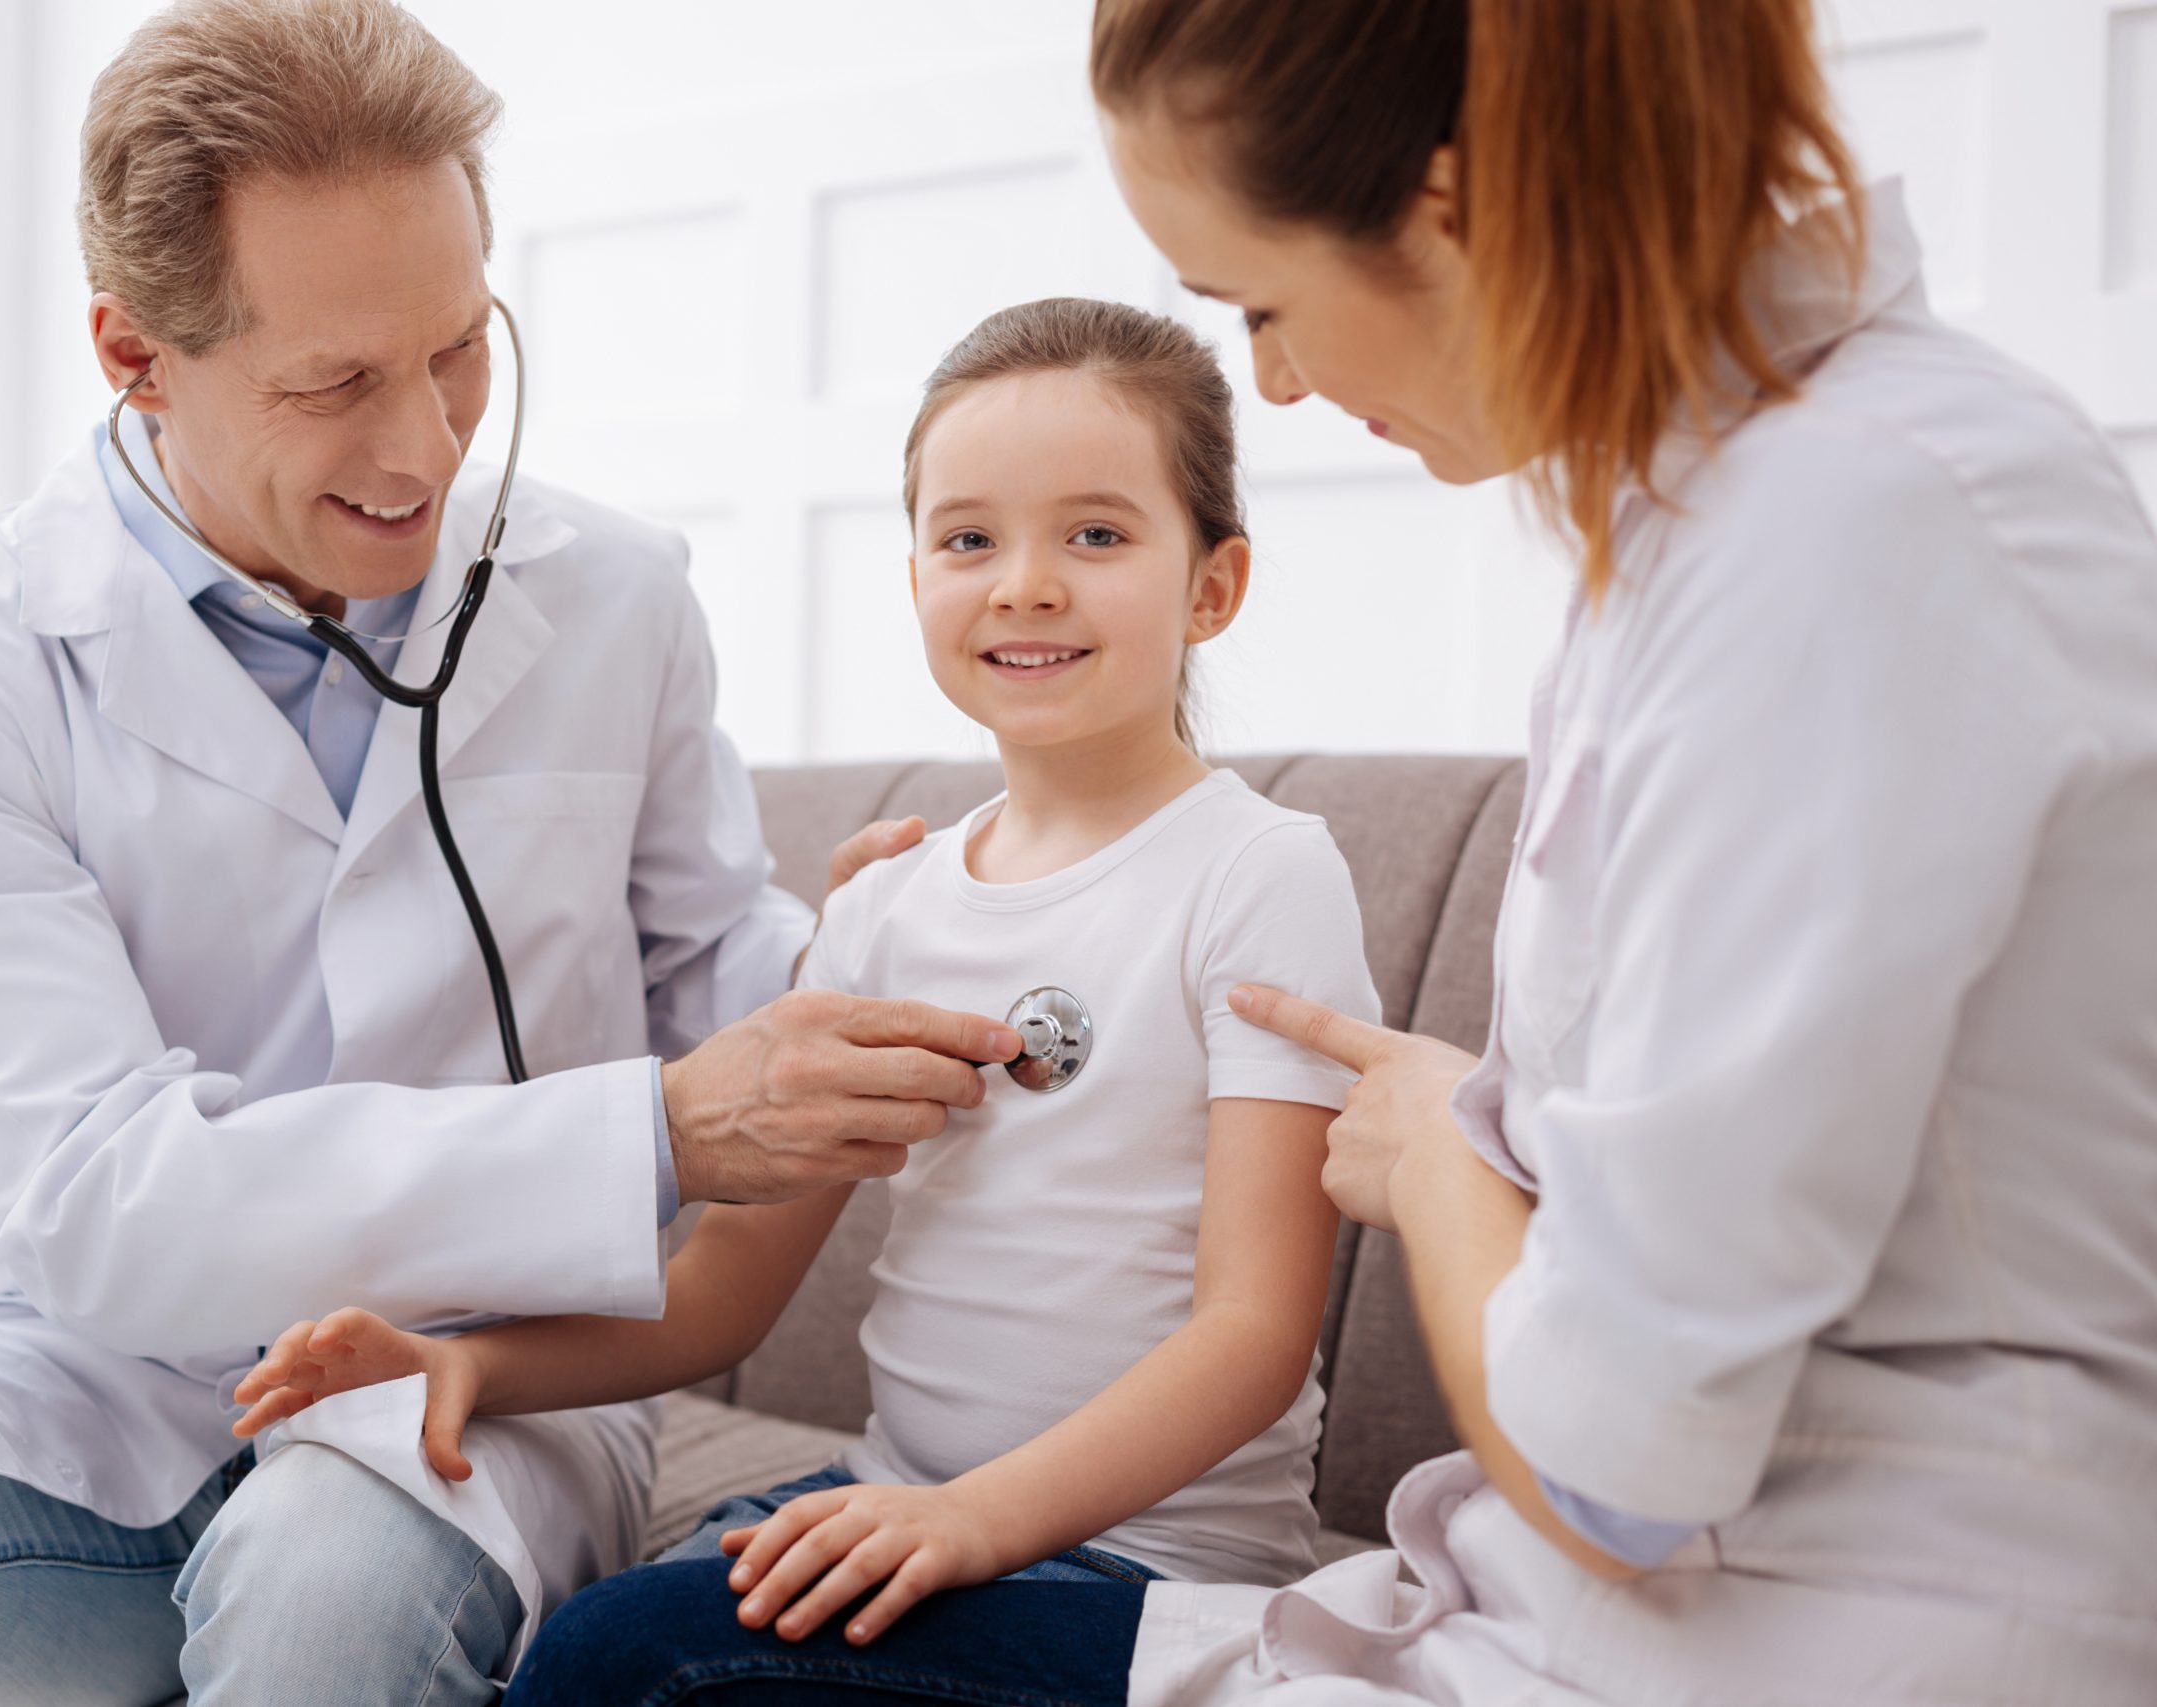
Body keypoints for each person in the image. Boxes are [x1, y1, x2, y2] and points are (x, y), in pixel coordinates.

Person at [464, 0, 2157, 1702]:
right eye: (963, 536)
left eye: (1262, 303)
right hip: (1582, 1595)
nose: (1272, 375)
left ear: (1445, 207)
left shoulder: (1844, 540)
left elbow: (1617, 1462)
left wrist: (1442, 1153)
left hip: (1792, 1630)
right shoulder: (1705, 536)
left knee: (639, 1667)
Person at [0, 3, 1016, 1702]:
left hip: (487, 1376)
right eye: (334, 382)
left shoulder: (615, 596)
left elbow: (712, 964)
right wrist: (652, 1126)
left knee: (327, 1573)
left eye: (459, 346)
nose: (425, 446)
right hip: (87, 1382)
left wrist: (850, 952)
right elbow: (100, 1207)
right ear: (136, 354)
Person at [228, 297, 1385, 1692]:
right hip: (894, 1506)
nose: (1023, 583)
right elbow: (722, 1295)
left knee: (625, 1665)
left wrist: (969, 1522)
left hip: (1147, 1569)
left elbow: (1254, 1337)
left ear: (1213, 587)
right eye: (969, 539)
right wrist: (467, 1366)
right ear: (914, 584)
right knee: (557, 1649)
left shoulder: (1259, 874)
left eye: (1095, 533)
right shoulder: (885, 908)